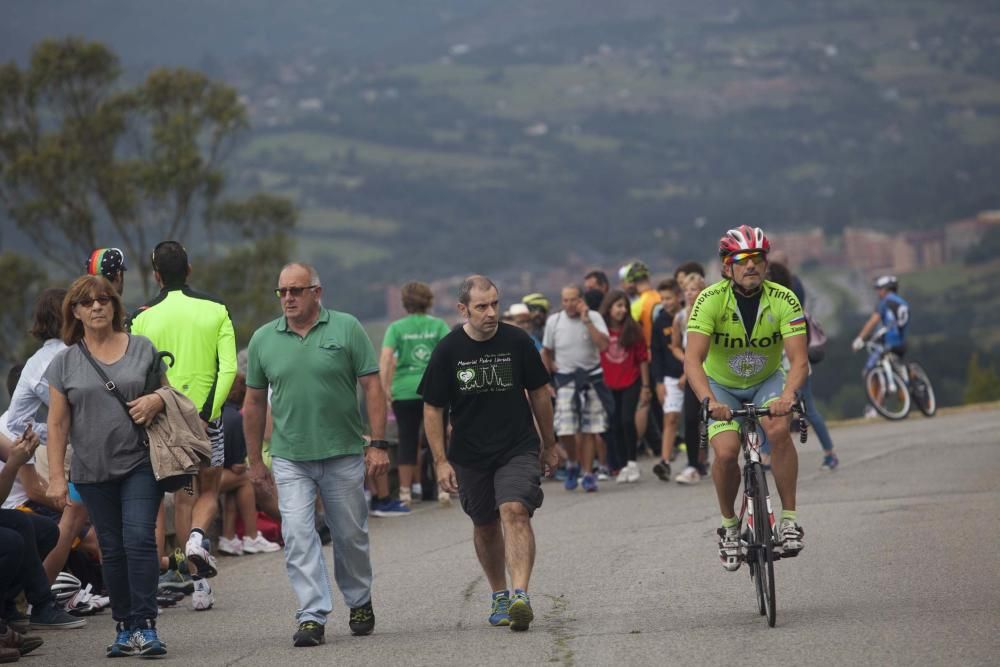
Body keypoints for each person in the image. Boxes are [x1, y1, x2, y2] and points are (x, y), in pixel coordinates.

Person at [243, 262, 390, 648]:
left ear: (316, 292)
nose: (287, 298)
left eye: (296, 290)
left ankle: (359, 600)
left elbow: (372, 388)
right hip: (290, 456)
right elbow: (254, 402)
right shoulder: (263, 339)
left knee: (350, 534)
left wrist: (377, 443)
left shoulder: (347, 328)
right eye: (282, 292)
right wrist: (255, 460)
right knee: (296, 534)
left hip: (343, 452)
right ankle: (311, 614)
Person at [419, 275, 557, 632]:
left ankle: (520, 595)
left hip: (517, 446)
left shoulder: (517, 341)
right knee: (484, 524)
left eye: (495, 303)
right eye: (482, 306)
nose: (491, 312)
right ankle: (499, 592)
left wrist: (550, 443)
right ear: (463, 309)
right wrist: (440, 460)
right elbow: (433, 408)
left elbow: (540, 392)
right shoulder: (448, 350)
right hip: (469, 454)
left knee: (514, 511)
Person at [46, 275, 169, 655]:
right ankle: (124, 625)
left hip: (140, 463)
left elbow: (168, 390)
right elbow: (57, 423)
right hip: (91, 471)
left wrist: (157, 400)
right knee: (112, 549)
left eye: (104, 299)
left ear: (115, 307)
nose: (97, 306)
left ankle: (146, 625)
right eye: (87, 302)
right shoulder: (64, 362)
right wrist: (55, 477)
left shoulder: (142, 348)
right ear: (76, 312)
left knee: (138, 539)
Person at [684, 226, 809, 572]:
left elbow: (799, 360)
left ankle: (788, 520)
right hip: (721, 387)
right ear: (727, 267)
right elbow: (692, 360)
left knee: (780, 432)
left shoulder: (784, 299)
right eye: (742, 260)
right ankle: (728, 526)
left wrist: (787, 396)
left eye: (757, 258)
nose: (751, 265)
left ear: (766, 263)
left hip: (767, 382)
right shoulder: (709, 301)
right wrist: (709, 400)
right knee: (725, 452)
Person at [130, 240, 237, 611]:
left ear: (156, 275)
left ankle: (159, 584)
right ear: (189, 270)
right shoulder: (216, 308)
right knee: (209, 490)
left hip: (162, 419)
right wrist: (210, 410)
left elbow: (140, 375)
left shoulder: (141, 317)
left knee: (173, 498)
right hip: (208, 416)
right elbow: (230, 368)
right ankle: (196, 547)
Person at [379, 281, 451, 509]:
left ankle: (405, 493)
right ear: (428, 301)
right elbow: (450, 355)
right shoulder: (439, 325)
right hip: (434, 389)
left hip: (404, 390)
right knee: (437, 440)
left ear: (404, 303)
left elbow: (386, 359)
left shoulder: (396, 328)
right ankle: (444, 489)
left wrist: (386, 389)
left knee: (407, 441)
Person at [767, 262, 838, 471]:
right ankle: (766, 456)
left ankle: (830, 453)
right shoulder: (774, 304)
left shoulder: (788, 306)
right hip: (779, 368)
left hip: (794, 368)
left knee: (808, 410)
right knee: (769, 412)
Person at [542, 286, 610, 492]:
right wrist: (549, 375)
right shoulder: (554, 321)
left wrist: (586, 319)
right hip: (565, 379)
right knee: (565, 429)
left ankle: (588, 473)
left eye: (573, 300)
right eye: (565, 300)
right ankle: (572, 463)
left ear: (581, 300)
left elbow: (604, 345)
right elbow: (546, 351)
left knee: (589, 429)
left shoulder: (594, 317)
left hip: (591, 378)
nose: (569, 304)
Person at [216, 374, 281, 556]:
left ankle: (228, 538)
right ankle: (252, 537)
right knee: (244, 479)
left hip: (205, 474)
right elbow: (237, 463)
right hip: (211, 477)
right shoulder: (235, 418)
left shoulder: (217, 412)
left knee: (235, 485)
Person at [598, 290, 650, 483]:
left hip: (631, 380)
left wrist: (645, 386)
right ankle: (621, 465)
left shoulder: (633, 329)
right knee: (615, 423)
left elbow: (642, 359)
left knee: (628, 420)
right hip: (608, 383)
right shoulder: (601, 330)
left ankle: (632, 462)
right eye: (617, 306)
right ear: (609, 307)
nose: (621, 310)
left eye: (624, 306)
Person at [672, 274, 709, 485]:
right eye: (686, 290)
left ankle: (708, 458)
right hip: (692, 371)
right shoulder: (680, 317)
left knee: (712, 418)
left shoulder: (709, 313)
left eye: (694, 289)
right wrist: (687, 363)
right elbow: (675, 345)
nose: (689, 293)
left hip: (710, 369)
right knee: (691, 419)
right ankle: (693, 463)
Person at [650, 278, 684, 482]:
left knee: (696, 419)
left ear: (677, 297)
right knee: (670, 417)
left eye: (669, 298)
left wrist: (688, 374)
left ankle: (699, 459)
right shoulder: (659, 321)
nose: (666, 302)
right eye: (662, 299)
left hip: (692, 372)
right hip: (670, 376)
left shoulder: (687, 316)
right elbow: (657, 353)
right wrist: (659, 382)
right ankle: (665, 461)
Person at [852, 275, 909, 363]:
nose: (878, 292)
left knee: (869, 370)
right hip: (903, 344)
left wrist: (860, 339)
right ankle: (909, 372)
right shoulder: (903, 303)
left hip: (889, 343)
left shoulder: (885, 302)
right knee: (897, 367)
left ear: (885, 289)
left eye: (879, 289)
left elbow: (872, 322)